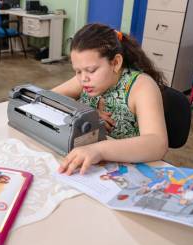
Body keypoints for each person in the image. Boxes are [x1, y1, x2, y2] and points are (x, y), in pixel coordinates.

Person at [54, 23, 168, 175]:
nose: (83, 79)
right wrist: (88, 114)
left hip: (129, 169)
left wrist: (99, 150)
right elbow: (49, 98)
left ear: (115, 63)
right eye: (77, 71)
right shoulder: (86, 79)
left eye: (91, 70)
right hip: (91, 163)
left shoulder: (141, 86)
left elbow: (158, 144)